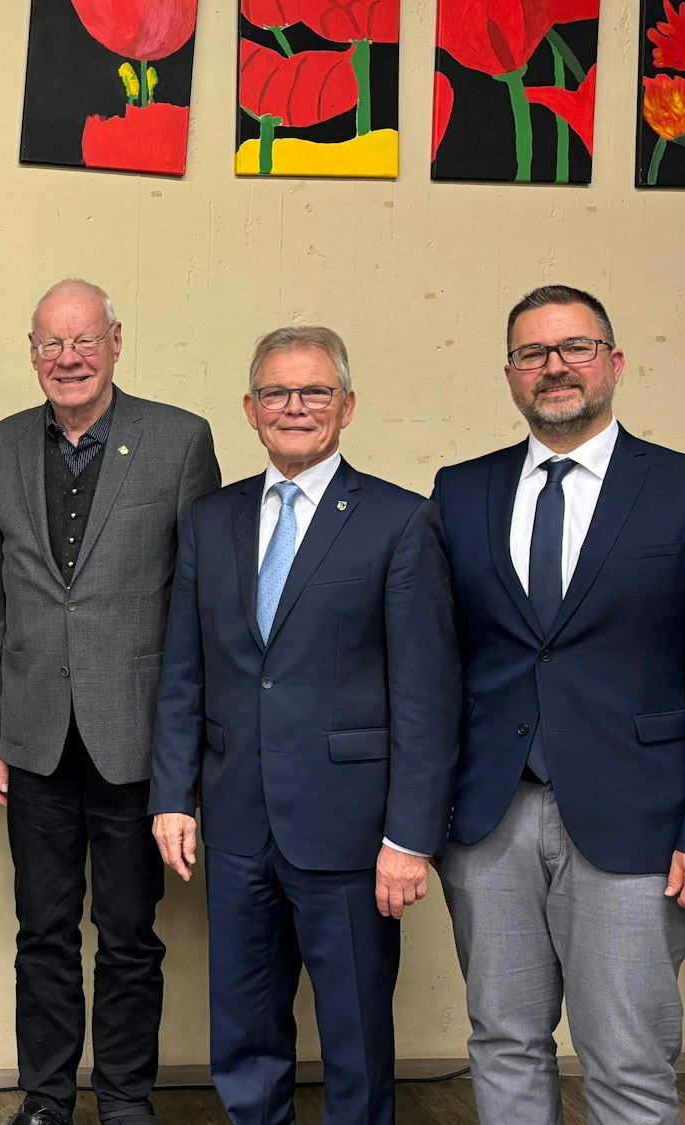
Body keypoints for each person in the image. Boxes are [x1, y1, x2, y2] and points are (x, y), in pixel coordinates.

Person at [432, 286, 685, 1124]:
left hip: (639, 824)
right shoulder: (460, 491)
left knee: (625, 1056)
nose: (554, 366)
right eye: (532, 353)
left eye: (575, 347)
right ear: (510, 376)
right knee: (503, 1040)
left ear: (614, 363)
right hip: (489, 817)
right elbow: (434, 665)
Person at [149, 326, 459, 1125]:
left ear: (346, 405)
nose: (295, 407)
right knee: (244, 1028)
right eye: (277, 394)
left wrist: (410, 837)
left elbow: (426, 695)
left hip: (353, 832)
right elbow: (185, 669)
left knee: (356, 1033)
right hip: (237, 820)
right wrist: (172, 797)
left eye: (314, 391)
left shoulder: (400, 520)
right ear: (250, 410)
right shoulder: (209, 520)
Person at [0, 278, 219, 1125]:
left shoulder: (180, 441)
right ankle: (43, 1099)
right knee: (40, 932)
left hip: (136, 738)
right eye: (50, 343)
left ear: (116, 340)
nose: (67, 358)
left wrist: (185, 750)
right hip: (33, 738)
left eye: (83, 340)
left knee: (129, 937)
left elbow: (199, 604)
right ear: (31, 352)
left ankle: (123, 1100)